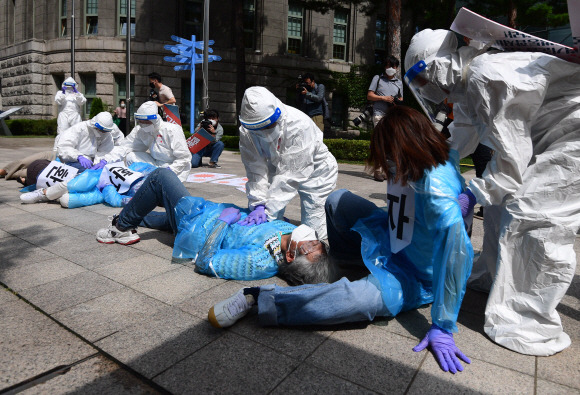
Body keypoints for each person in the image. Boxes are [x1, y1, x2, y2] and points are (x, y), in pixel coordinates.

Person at [209, 106, 474, 375]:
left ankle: (261, 300)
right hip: (395, 237)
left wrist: (442, 325)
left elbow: (456, 259)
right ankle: (349, 261)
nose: (384, 163)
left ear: (407, 146)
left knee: (357, 300)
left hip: (415, 274)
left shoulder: (438, 192)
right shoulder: (416, 161)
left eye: (387, 154)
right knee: (338, 201)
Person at [404, 28, 580, 356]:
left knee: (534, 216)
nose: (427, 90)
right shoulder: (471, 83)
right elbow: (466, 132)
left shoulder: (487, 76)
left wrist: (473, 194)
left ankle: (527, 321)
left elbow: (511, 163)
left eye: (422, 79)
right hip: (550, 132)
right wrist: (433, 159)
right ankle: (495, 276)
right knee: (501, 209)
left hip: (572, 135)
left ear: (434, 66)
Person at [95, 167, 330, 282]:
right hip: (208, 210)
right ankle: (133, 211)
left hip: (197, 224)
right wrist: (264, 212)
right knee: (162, 215)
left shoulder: (257, 262)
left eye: (309, 247)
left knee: (161, 178)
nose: (312, 239)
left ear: (290, 257)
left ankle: (120, 228)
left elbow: (206, 263)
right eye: (318, 243)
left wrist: (221, 222)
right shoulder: (292, 234)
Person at [238, 86, 338, 240]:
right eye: (257, 129)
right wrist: (258, 204)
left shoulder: (298, 125)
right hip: (278, 168)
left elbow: (290, 176)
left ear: (277, 115)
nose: (264, 132)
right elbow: (255, 169)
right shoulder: (247, 131)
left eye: (268, 126)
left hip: (317, 173)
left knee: (312, 232)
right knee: (268, 228)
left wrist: (268, 212)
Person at [109, 101, 192, 182]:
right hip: (156, 163)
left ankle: (156, 179)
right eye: (140, 121)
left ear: (155, 119)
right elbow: (125, 147)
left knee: (164, 182)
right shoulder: (140, 130)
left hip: (173, 167)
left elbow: (184, 157)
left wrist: (170, 170)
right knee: (131, 156)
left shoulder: (171, 130)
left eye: (146, 121)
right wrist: (107, 160)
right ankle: (144, 180)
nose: (143, 124)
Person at [367, 55, 404, 182]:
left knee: (391, 144)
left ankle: (388, 170)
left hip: (392, 116)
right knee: (380, 142)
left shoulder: (399, 82)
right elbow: (370, 95)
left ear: (396, 68)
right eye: (387, 65)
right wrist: (383, 98)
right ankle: (377, 171)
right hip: (379, 114)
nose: (390, 68)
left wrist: (395, 101)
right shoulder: (377, 78)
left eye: (392, 66)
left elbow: (401, 99)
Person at [54, 77, 86, 144]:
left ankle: (76, 147)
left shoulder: (78, 94)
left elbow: (82, 102)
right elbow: (58, 101)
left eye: (71, 86)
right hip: (63, 114)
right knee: (62, 131)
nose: (69, 88)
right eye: (67, 86)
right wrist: (63, 92)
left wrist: (76, 93)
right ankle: (58, 149)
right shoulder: (60, 93)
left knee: (77, 131)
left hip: (75, 115)